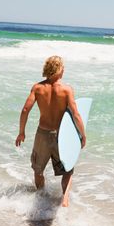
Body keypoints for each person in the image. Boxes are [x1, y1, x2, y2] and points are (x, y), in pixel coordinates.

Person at [15, 55, 86, 207]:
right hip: (61, 135)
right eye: (63, 67)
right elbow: (76, 114)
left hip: (42, 134)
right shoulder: (67, 90)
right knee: (67, 169)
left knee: (38, 170)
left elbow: (25, 109)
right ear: (59, 69)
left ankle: (41, 198)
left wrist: (22, 132)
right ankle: (65, 199)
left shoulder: (38, 88)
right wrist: (82, 135)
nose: (64, 70)